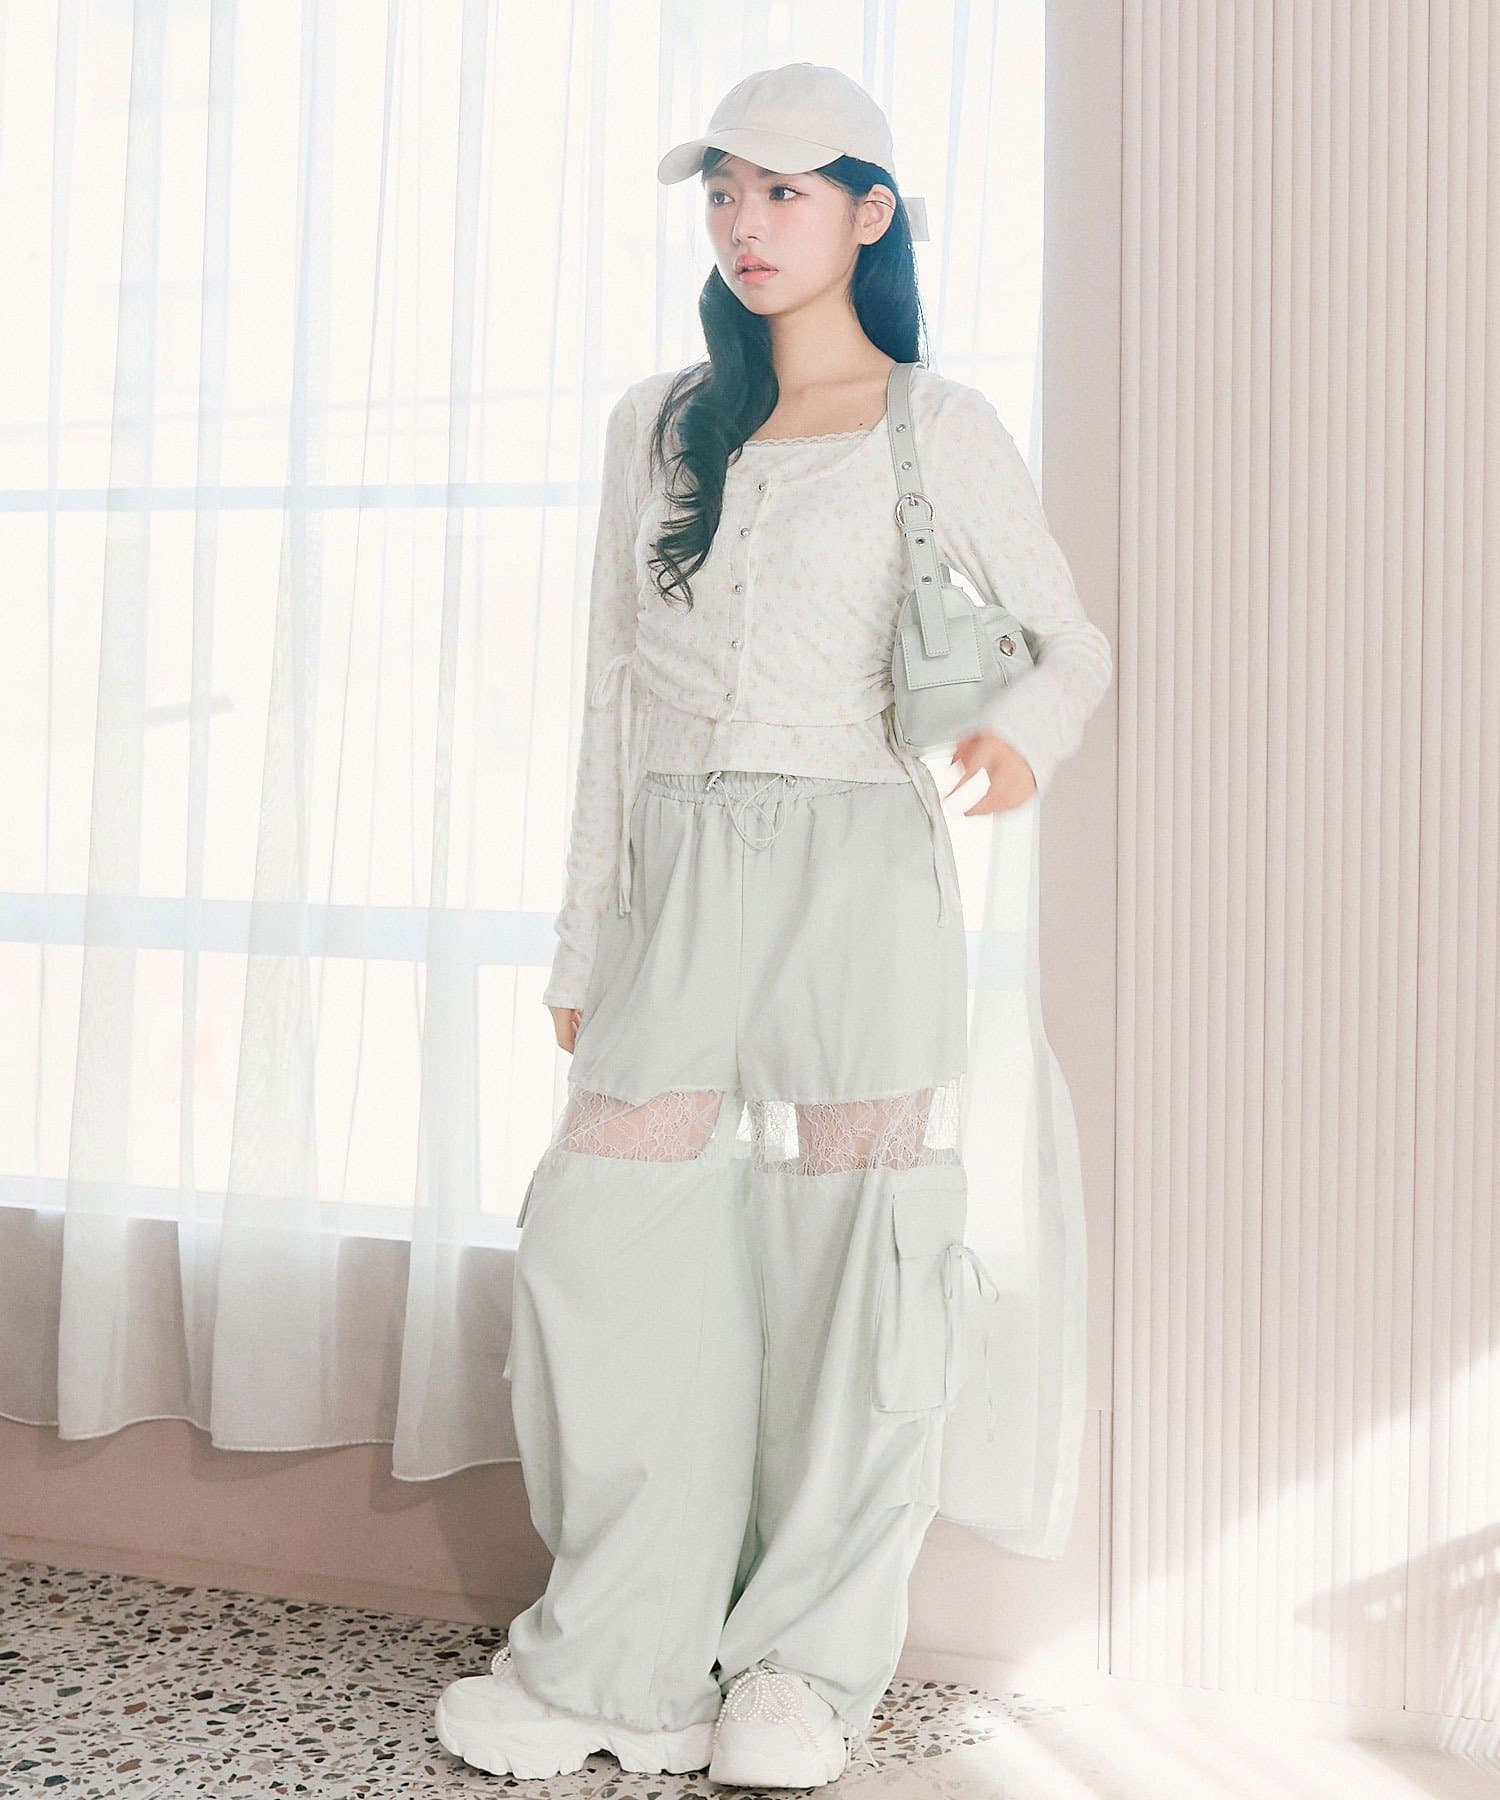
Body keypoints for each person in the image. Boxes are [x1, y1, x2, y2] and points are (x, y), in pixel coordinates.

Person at [435, 60, 1113, 1789]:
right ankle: (626, 1659)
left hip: (860, 860)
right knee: (608, 1239)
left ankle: (804, 1670)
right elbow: (610, 697)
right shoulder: (660, 422)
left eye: (785, 191)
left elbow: (1069, 641)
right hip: (677, 869)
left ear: (869, 214)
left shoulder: (935, 425)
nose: (745, 222)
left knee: (857, 1269)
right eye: (725, 191)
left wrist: (1019, 745)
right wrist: (584, 944)